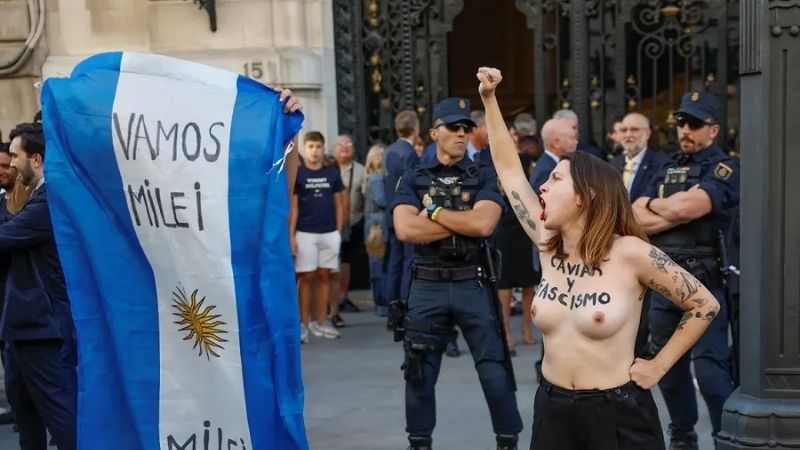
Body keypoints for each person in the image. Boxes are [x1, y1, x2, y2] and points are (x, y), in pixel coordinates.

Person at [477, 66, 722, 450]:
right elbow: (509, 171)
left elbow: (703, 304)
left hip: (617, 414)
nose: (542, 185)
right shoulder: (546, 243)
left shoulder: (630, 253)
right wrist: (489, 100)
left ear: (585, 195)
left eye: (555, 180)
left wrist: (658, 365)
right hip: (553, 409)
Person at [391, 97, 522, 450]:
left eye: (467, 127)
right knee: (418, 371)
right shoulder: (413, 175)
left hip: (472, 280)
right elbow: (405, 230)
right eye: (453, 127)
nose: (462, 134)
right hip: (427, 285)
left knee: (494, 369)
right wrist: (458, 220)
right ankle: (419, 442)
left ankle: (507, 440)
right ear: (434, 132)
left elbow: (483, 224)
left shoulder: (483, 174)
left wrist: (431, 212)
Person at [632, 91, 738, 449]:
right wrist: (662, 207)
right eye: (681, 122)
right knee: (668, 368)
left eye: (694, 124)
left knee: (710, 373)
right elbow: (634, 217)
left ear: (713, 130)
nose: (685, 130)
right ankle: (683, 435)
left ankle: (725, 437)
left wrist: (655, 207)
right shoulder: (665, 166)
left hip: (705, 279)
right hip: (664, 279)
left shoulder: (723, 167)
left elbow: (690, 209)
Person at [0, 122, 77, 450]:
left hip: (43, 330)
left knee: (60, 417)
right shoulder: (33, 197)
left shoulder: (49, 200)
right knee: (25, 411)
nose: (11, 163)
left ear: (36, 159)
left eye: (15, 156)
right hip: (20, 330)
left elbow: (5, 237)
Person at [290, 131, 345, 342]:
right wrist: (291, 236)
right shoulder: (299, 173)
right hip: (305, 233)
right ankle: (303, 325)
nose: (314, 151)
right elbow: (293, 208)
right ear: (305, 149)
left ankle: (321, 323)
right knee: (305, 278)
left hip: (329, 233)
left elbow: (339, 204)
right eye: (311, 146)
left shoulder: (332, 173)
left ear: (324, 149)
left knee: (324, 277)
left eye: (318, 147)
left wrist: (338, 232)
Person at [331, 134, 366, 326]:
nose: (345, 148)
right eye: (341, 145)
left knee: (346, 262)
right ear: (334, 148)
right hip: (328, 225)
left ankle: (343, 297)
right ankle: (331, 301)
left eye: (349, 145)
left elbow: (366, 195)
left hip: (353, 222)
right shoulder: (328, 168)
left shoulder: (361, 170)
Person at [611, 113, 670, 202]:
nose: (628, 135)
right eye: (624, 130)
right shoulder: (614, 164)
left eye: (634, 129)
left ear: (647, 134)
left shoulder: (662, 164)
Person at [362, 144, 388, 316]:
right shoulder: (377, 179)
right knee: (379, 265)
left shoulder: (371, 177)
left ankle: (381, 303)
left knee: (376, 264)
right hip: (377, 225)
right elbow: (382, 200)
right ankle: (382, 304)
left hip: (372, 223)